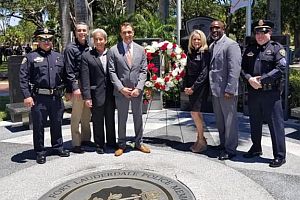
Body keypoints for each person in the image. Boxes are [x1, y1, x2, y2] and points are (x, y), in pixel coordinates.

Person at [19, 28, 70, 164]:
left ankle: (57, 147)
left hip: (56, 97)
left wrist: (69, 90)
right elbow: (23, 78)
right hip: (39, 98)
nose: (46, 42)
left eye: (49, 39)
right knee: (39, 125)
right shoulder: (30, 57)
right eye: (43, 39)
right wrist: (27, 95)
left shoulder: (58, 56)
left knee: (57, 123)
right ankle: (40, 151)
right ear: (38, 41)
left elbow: (66, 76)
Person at [241, 19, 286, 167]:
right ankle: (256, 148)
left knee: (275, 125)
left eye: (264, 32)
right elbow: (242, 69)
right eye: (257, 32)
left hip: (271, 94)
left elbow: (280, 68)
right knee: (255, 123)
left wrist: (263, 80)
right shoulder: (249, 49)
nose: (260, 35)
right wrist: (249, 79)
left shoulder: (276, 48)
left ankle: (279, 155)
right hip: (254, 93)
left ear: (270, 33)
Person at [108, 22, 150, 156]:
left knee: (138, 117)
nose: (127, 35)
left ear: (133, 33)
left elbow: (144, 70)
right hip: (122, 92)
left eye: (129, 32)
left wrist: (139, 87)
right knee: (122, 118)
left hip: (137, 91)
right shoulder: (113, 50)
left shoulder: (140, 50)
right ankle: (121, 144)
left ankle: (139, 143)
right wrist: (121, 88)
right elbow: (112, 71)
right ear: (121, 34)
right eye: (124, 32)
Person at [209, 20, 241, 160]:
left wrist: (230, 89)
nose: (214, 30)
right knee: (220, 121)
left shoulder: (231, 44)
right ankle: (223, 144)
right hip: (216, 90)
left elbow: (235, 69)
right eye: (212, 28)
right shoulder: (212, 45)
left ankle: (230, 149)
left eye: (217, 28)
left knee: (229, 121)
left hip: (227, 91)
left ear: (224, 28)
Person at [80, 28, 116, 154]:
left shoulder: (112, 53)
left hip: (111, 94)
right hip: (96, 94)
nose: (99, 41)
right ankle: (99, 144)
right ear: (93, 41)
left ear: (105, 40)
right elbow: (85, 78)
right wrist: (87, 97)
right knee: (97, 120)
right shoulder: (87, 56)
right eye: (96, 39)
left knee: (110, 119)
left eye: (101, 39)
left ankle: (111, 142)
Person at [65, 22, 92, 153]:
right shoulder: (70, 48)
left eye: (84, 30)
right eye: (79, 30)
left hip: (87, 85)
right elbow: (68, 70)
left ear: (87, 32)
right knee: (76, 115)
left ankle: (86, 139)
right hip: (77, 84)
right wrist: (74, 87)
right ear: (75, 33)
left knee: (86, 115)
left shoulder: (88, 47)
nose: (82, 32)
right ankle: (76, 143)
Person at [184, 30, 210, 153]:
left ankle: (201, 140)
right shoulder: (190, 53)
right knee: (196, 114)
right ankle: (200, 139)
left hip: (200, 88)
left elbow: (204, 73)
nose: (196, 41)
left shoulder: (205, 53)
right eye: (194, 39)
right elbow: (187, 71)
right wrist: (186, 87)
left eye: (198, 39)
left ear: (203, 40)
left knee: (195, 113)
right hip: (191, 88)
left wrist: (193, 88)